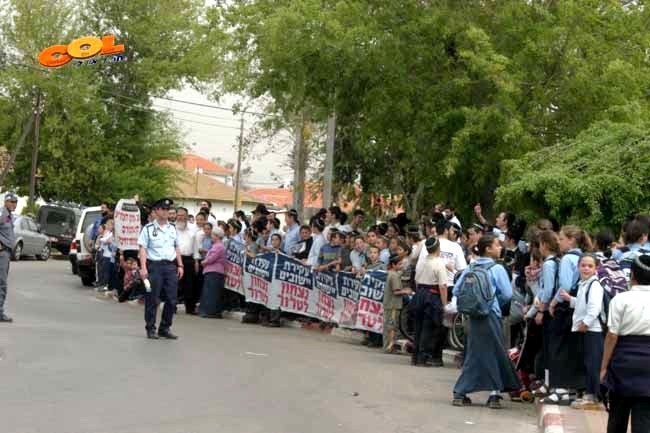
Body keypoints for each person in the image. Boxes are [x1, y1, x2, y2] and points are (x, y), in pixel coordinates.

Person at [452, 234, 521, 409]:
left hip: (473, 316)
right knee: (495, 352)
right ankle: (494, 395)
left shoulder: (471, 267)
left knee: (474, 354)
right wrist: (492, 301)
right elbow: (507, 294)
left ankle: (460, 393)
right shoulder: (497, 269)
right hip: (491, 315)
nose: (500, 248)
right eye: (497, 245)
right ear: (488, 249)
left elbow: (458, 290)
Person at [601, 255, 650, 433]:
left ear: (632, 276)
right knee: (644, 419)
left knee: (617, 417)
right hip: (648, 367)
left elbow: (612, 336)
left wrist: (603, 367)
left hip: (623, 363)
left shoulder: (620, 299)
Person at [545, 225, 592, 404]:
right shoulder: (584, 258)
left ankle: (559, 388)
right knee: (572, 349)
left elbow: (564, 285)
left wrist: (554, 302)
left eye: (562, 238)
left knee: (557, 348)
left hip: (565, 308)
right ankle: (572, 389)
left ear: (571, 240)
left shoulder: (566, 259)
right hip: (578, 307)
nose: (559, 241)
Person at [557, 253, 604, 410]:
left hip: (592, 330)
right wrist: (570, 299)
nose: (586, 268)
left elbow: (594, 308)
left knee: (592, 364)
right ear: (578, 267)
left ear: (596, 268)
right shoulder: (584, 284)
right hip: (585, 329)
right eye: (583, 265)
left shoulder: (594, 285)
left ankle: (593, 396)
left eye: (590, 266)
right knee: (587, 362)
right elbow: (583, 303)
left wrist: (586, 323)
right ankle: (589, 394)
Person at [138, 198, 184, 340]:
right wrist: (143, 268)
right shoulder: (148, 229)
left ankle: (165, 327)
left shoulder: (172, 228)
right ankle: (150, 327)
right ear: (156, 211)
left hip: (170, 266)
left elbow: (176, 247)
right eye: (163, 209)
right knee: (152, 298)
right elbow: (143, 249)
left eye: (167, 209)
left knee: (171, 299)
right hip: (155, 266)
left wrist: (180, 264)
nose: (166, 212)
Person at [412, 237, 448, 367]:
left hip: (420, 292)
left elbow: (416, 280)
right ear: (438, 248)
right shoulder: (439, 263)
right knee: (428, 327)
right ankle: (423, 357)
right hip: (432, 295)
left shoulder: (421, 262)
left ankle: (415, 357)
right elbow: (443, 286)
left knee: (418, 325)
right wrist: (444, 304)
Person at [383, 254, 409, 353]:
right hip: (393, 305)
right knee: (392, 327)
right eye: (399, 264)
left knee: (389, 326)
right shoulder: (394, 276)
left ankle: (389, 346)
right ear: (393, 265)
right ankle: (390, 347)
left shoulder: (392, 274)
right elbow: (396, 291)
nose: (401, 266)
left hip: (390, 304)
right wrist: (406, 291)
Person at [199, 226, 226, 318]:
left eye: (213, 235)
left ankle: (211, 311)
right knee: (210, 292)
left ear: (217, 236)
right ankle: (210, 310)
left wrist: (204, 262)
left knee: (211, 292)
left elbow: (212, 258)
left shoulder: (219, 246)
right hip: (212, 271)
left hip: (215, 271)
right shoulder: (216, 246)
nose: (211, 237)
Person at [0, 192, 17, 322]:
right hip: (2, 252)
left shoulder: (9, 216)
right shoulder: (2, 214)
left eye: (15, 202)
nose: (14, 204)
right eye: (11, 201)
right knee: (2, 283)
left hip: (6, 253)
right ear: (5, 202)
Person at [98, 219, 116, 292]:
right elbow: (105, 241)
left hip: (109, 255)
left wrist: (101, 239)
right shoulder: (108, 232)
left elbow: (106, 240)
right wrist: (103, 239)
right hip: (105, 253)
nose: (107, 226)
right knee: (103, 270)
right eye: (107, 225)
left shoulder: (111, 234)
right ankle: (103, 284)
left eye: (109, 225)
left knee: (107, 271)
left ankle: (106, 285)